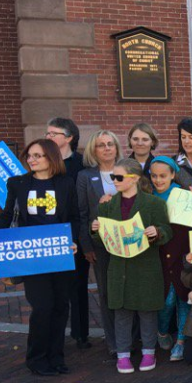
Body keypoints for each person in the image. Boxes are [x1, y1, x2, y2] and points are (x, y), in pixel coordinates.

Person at [0, 139, 79, 376]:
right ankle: (36, 358)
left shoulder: (66, 183)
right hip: (31, 255)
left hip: (58, 254)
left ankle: (56, 357)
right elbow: (8, 214)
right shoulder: (17, 183)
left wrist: (74, 240)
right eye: (29, 155)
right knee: (42, 307)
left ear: (51, 158)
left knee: (60, 307)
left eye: (38, 155)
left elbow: (75, 217)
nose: (31, 159)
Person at [92, 158, 171, 374]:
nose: (114, 181)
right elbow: (101, 241)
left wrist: (158, 232)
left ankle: (148, 352)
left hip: (146, 266)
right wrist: (96, 229)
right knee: (122, 313)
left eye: (118, 177)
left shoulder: (154, 203)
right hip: (119, 267)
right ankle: (123, 354)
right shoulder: (108, 204)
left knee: (147, 312)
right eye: (112, 177)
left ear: (134, 179)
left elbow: (166, 230)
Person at [76, 129, 122, 356]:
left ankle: (131, 338)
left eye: (110, 144)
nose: (106, 148)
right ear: (94, 150)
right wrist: (86, 245)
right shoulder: (85, 177)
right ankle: (113, 341)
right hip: (101, 243)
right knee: (106, 292)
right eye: (101, 145)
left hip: (129, 241)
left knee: (128, 290)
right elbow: (82, 213)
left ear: (116, 147)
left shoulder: (128, 170)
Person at [46, 117, 89, 350]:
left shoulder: (82, 164)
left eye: (53, 133)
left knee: (79, 284)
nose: (48, 137)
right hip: (49, 233)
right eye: (47, 133)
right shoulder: (43, 162)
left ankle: (81, 333)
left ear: (69, 137)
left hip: (75, 231)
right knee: (52, 287)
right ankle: (54, 335)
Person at [149, 155, 192, 362]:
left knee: (183, 298)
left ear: (173, 175)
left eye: (163, 176)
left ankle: (181, 342)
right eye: (154, 176)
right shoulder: (147, 197)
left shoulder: (184, 195)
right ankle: (162, 331)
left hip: (182, 253)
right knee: (166, 301)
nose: (158, 180)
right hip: (157, 255)